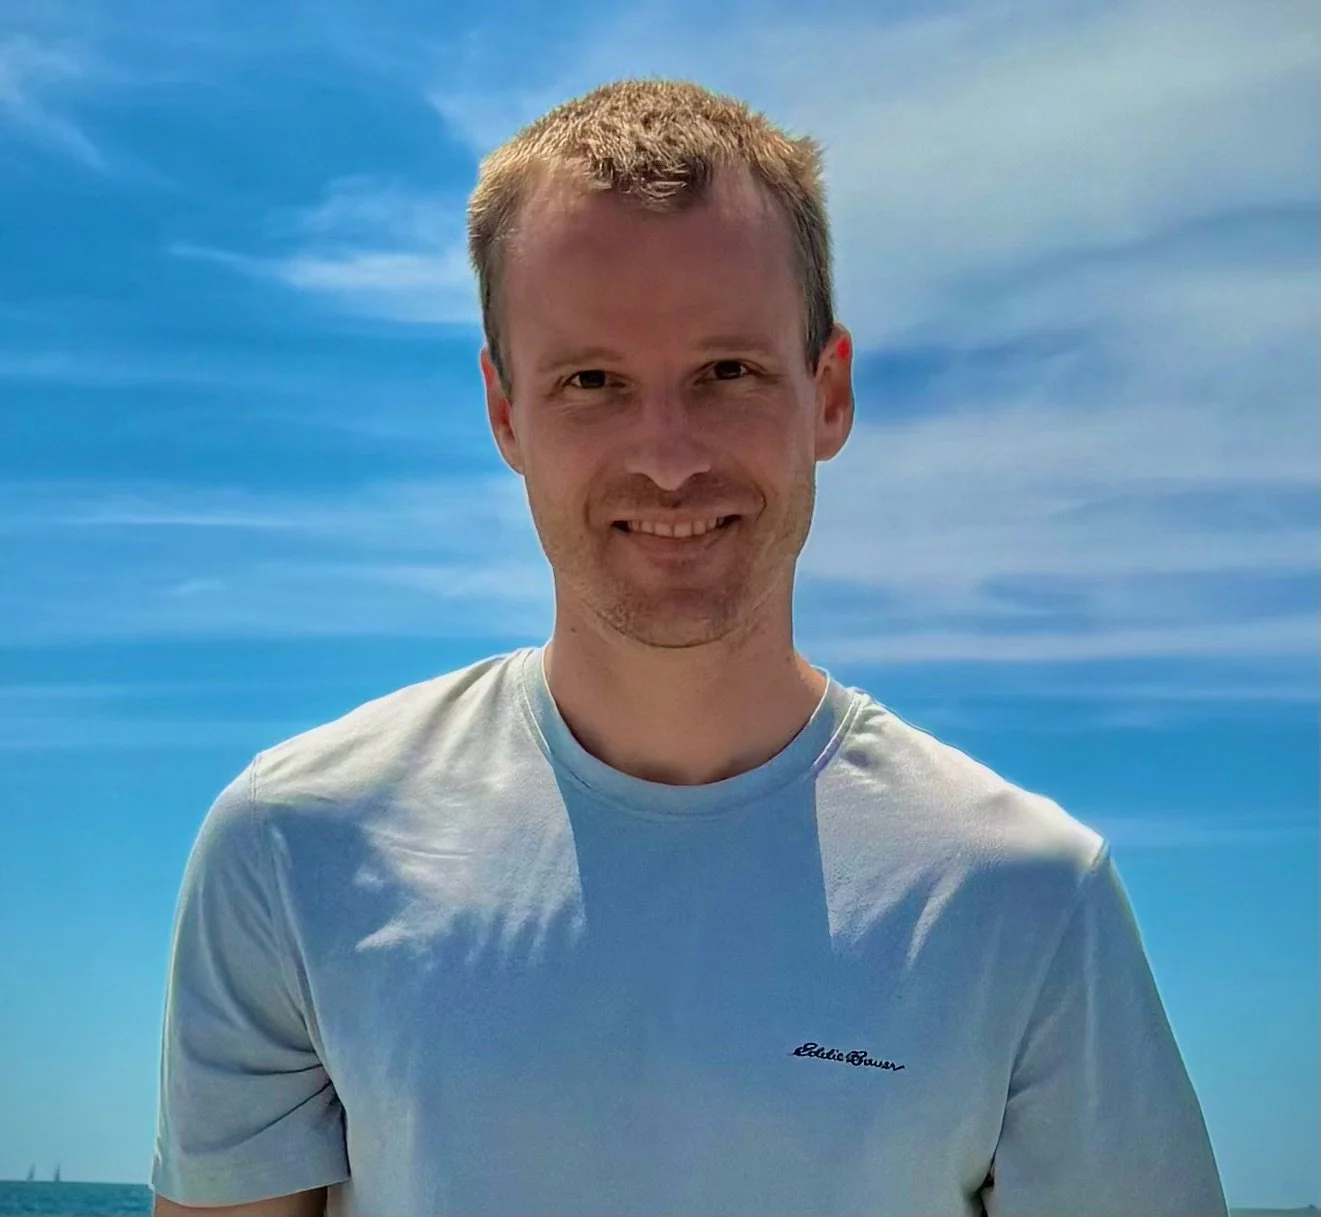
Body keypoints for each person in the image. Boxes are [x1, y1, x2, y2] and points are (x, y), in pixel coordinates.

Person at [150, 79, 1227, 1217]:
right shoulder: (293, 845)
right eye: (592, 382)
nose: (667, 459)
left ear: (828, 392)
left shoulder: (1024, 898)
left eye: (726, 371)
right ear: (505, 412)